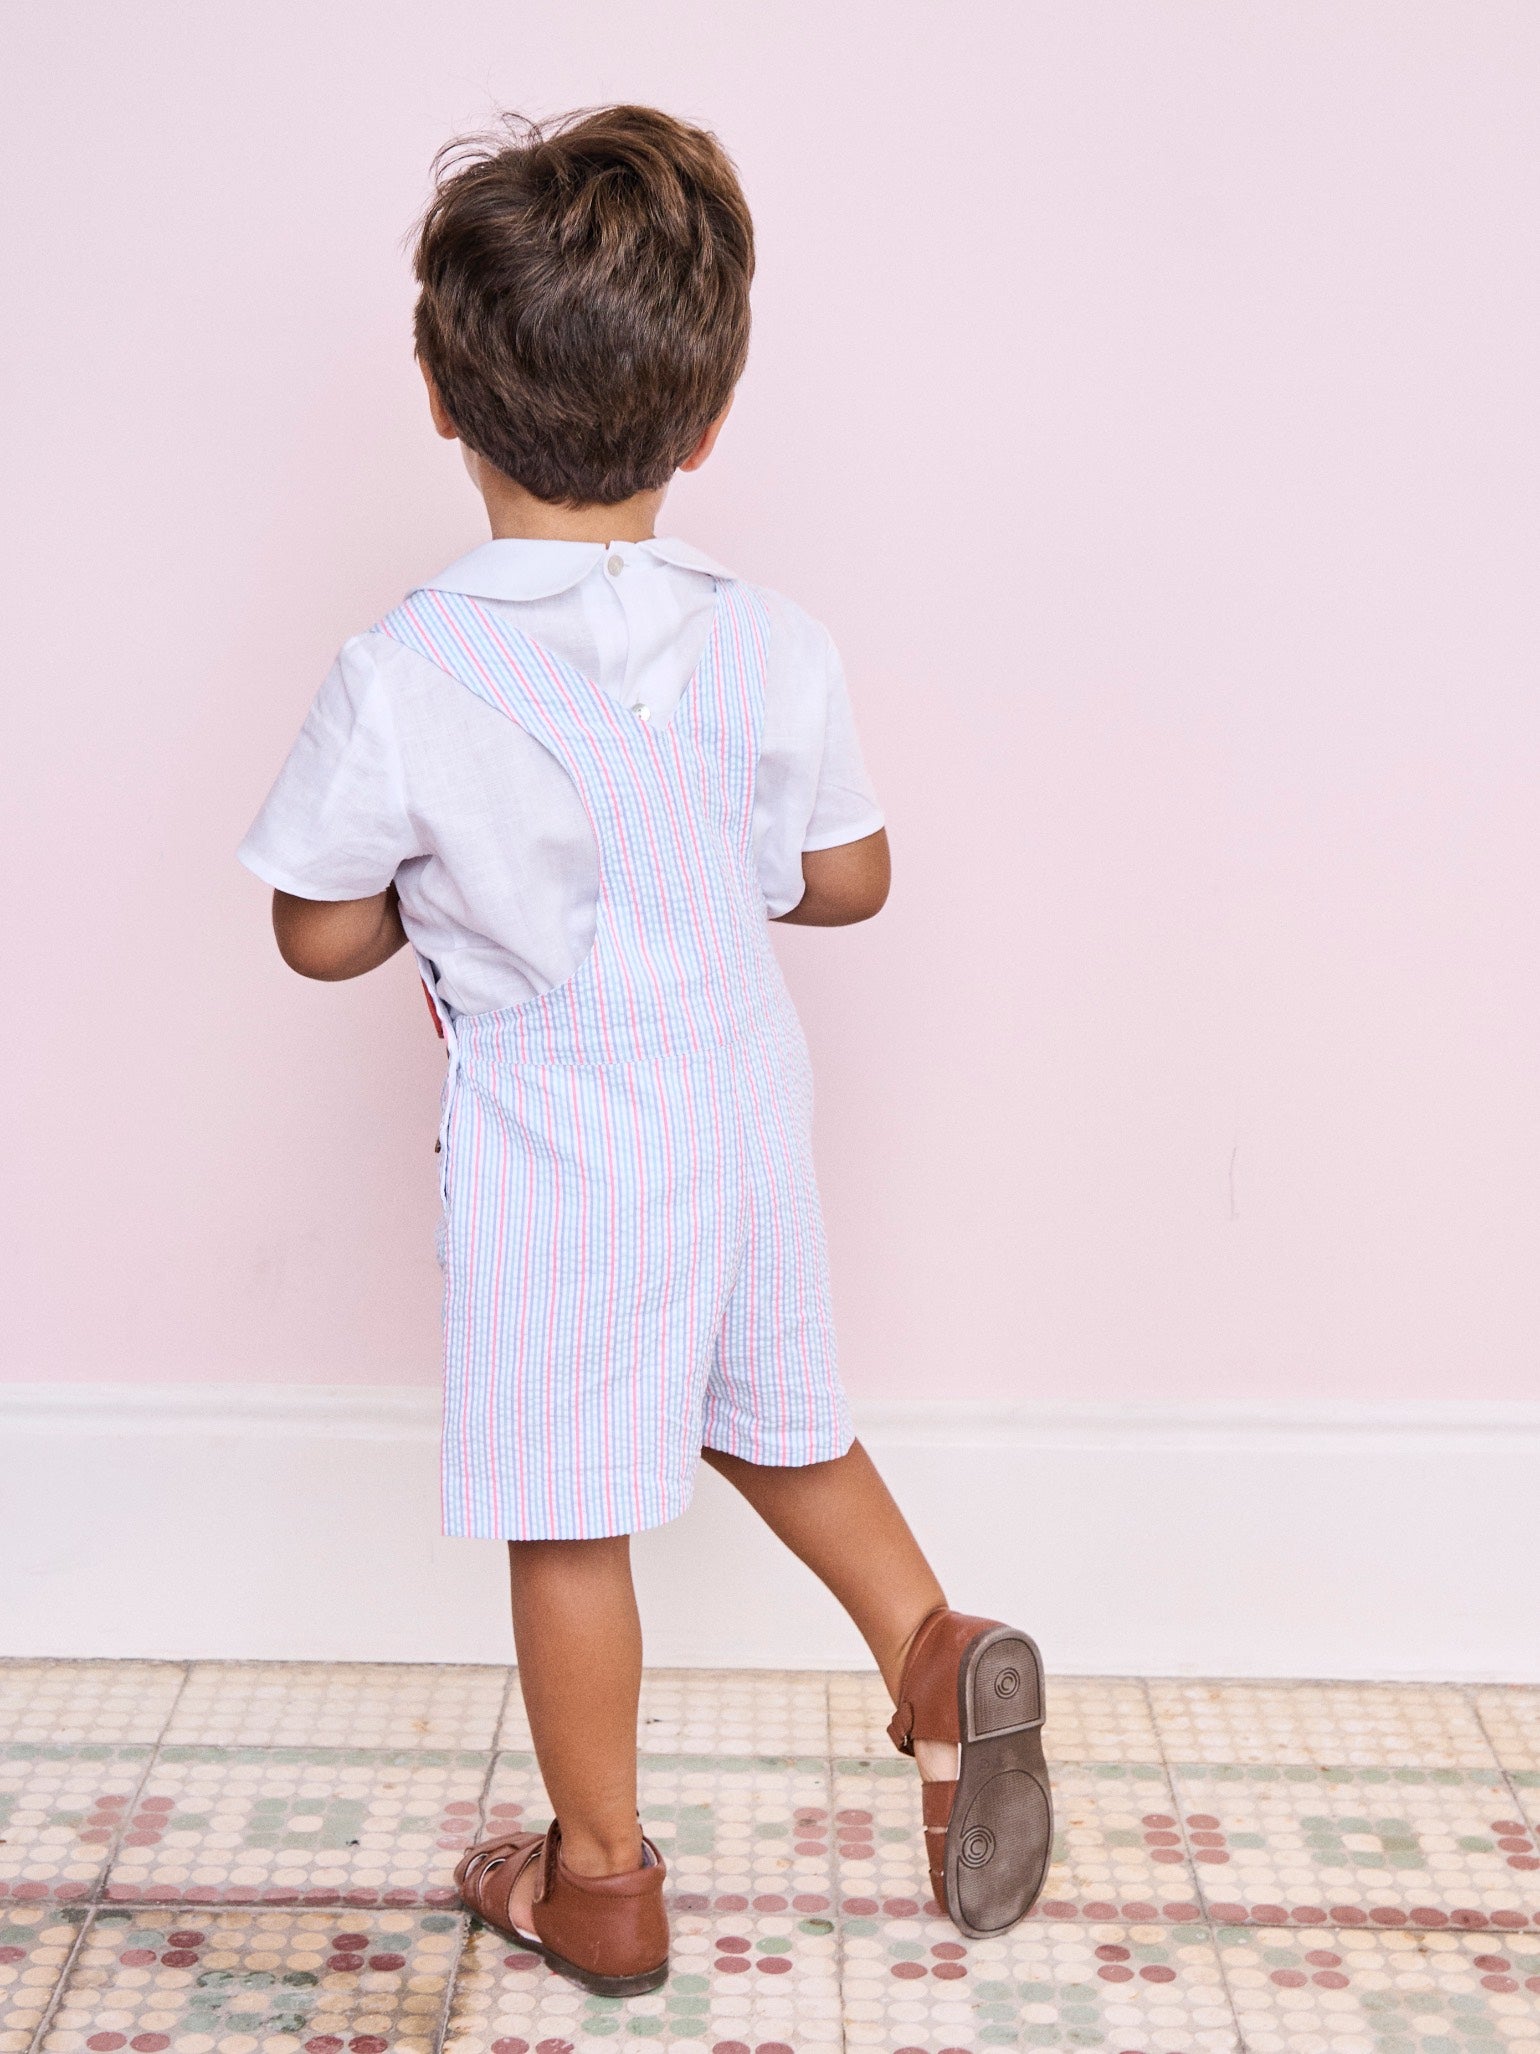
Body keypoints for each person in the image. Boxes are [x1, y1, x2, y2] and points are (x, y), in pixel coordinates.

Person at [239, 104, 1050, 1997]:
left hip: (564, 1132)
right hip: (741, 1095)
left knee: (567, 1500)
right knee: (777, 1411)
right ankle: (930, 1649)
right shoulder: (769, 639)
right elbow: (848, 879)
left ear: (442, 397)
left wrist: (423, 896)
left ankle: (597, 1877)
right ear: (707, 423)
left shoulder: (406, 673)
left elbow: (314, 928)